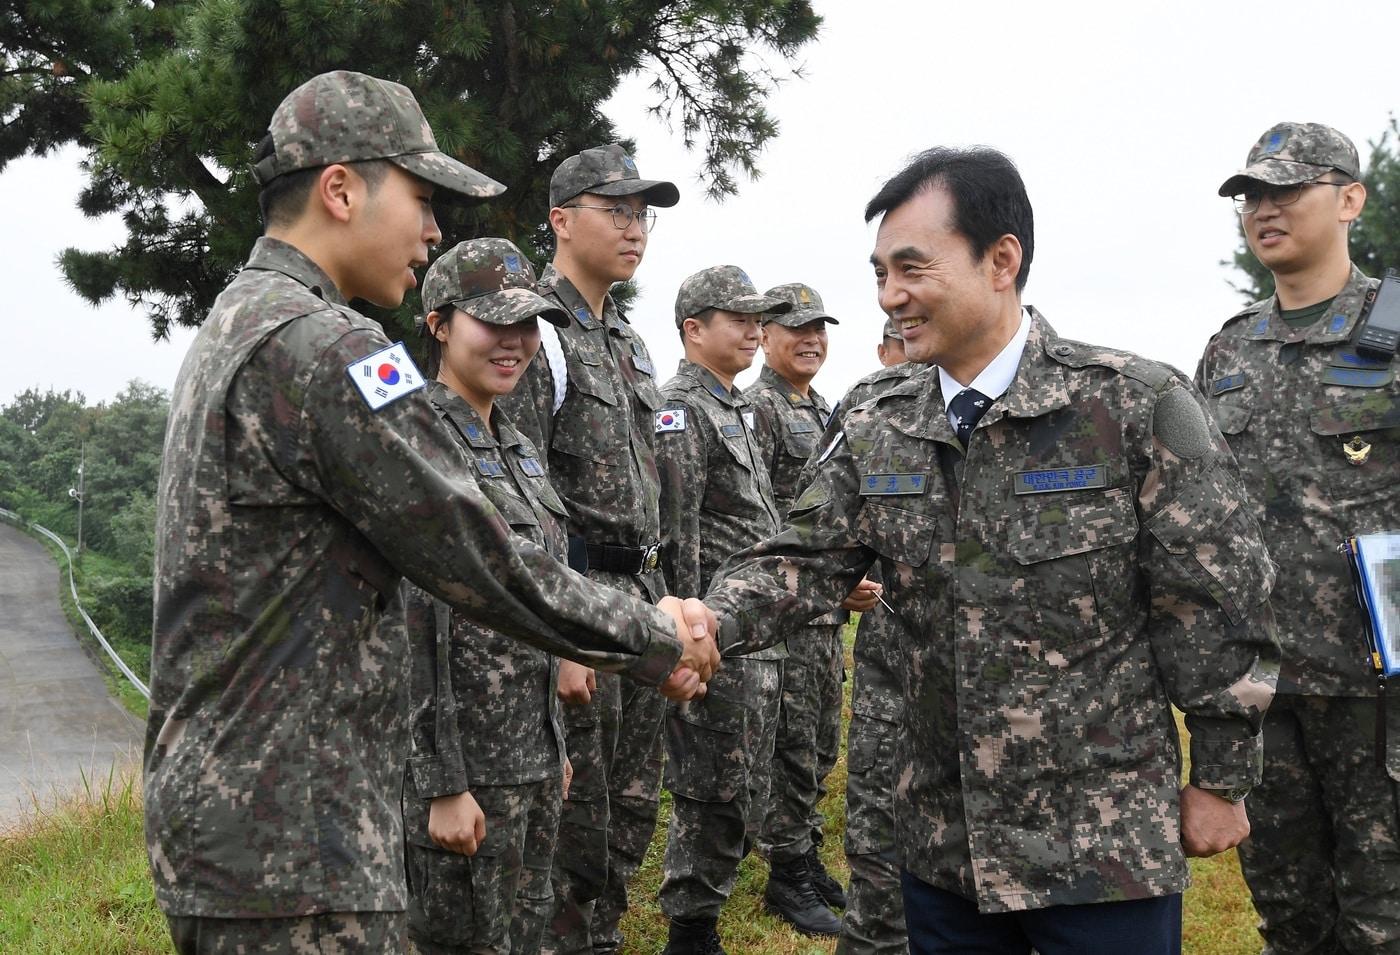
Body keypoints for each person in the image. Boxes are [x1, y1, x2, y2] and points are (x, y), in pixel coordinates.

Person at [145, 71, 717, 955]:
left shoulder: (243, 318)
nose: (434, 230)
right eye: (420, 198)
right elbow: (474, 552)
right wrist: (653, 634)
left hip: (244, 823)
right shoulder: (329, 347)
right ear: (341, 190)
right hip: (296, 841)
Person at [701, 145, 1281, 955]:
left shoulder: (1131, 402)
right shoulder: (874, 416)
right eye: (880, 273)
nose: (890, 296)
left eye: (912, 268)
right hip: (947, 844)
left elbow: (1216, 597)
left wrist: (1221, 773)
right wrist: (702, 623)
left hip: (1101, 847)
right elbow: (799, 561)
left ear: (1001, 260)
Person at [1199, 121, 1400, 955]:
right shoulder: (1229, 350)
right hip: (1265, 687)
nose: (1264, 209)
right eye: (1251, 195)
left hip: (1380, 691)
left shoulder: (1394, 325)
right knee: (1290, 916)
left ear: (1350, 200)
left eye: (1287, 190)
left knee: (1384, 917)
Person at [496, 142, 681, 955]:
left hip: (640, 596)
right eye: (617, 211)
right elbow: (518, 490)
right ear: (562, 221)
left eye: (642, 215)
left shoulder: (629, 341)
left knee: (634, 800)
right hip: (580, 599)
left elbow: (654, 486)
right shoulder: (537, 331)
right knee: (578, 812)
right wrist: (559, 637)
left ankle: (600, 935)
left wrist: (671, 598)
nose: (634, 228)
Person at [401, 238, 579, 954]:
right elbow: (414, 624)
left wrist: (553, 743)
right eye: (493, 322)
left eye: (527, 323)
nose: (514, 341)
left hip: (530, 758)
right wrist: (442, 781)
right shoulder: (419, 439)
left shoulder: (518, 445)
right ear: (439, 326)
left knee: (526, 932)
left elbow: (540, 594)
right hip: (467, 769)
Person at [653, 266, 793, 954]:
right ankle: (691, 928)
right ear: (693, 329)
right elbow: (676, 535)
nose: (753, 331)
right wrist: (687, 635)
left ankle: (705, 913)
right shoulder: (680, 411)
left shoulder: (736, 406)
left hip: (751, 632)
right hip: (710, 635)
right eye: (737, 319)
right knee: (711, 786)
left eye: (757, 320)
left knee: (743, 782)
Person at [743, 282, 846, 935]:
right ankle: (786, 871)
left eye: (819, 328)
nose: (811, 340)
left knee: (821, 738)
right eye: (797, 328)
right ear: (765, 335)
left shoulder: (823, 407)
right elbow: (759, 514)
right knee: (792, 743)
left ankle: (805, 852)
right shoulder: (761, 409)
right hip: (789, 607)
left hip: (827, 609)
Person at [830, 317, 918, 955]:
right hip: (893, 667)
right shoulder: (865, 409)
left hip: (1007, 694)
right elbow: (818, 530)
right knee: (880, 839)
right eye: (902, 341)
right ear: (884, 350)